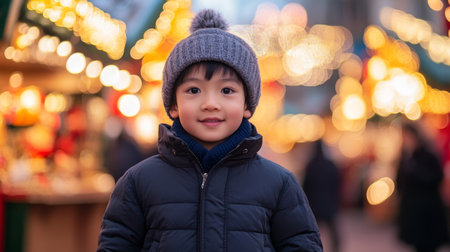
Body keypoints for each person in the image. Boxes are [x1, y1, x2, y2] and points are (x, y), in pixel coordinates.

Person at [97, 9, 322, 252]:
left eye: (226, 91)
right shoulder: (138, 182)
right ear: (173, 105)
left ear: (247, 105)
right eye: (194, 90)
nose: (210, 103)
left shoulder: (279, 184)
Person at [396, 122, 449, 252]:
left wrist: (414, 169)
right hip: (412, 211)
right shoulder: (405, 157)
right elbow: (399, 181)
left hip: (428, 212)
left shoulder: (428, 156)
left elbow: (436, 177)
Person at [302, 140, 341, 252]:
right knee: (334, 234)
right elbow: (337, 183)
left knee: (311, 233)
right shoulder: (331, 165)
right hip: (329, 204)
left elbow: (306, 186)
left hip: (314, 205)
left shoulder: (310, 165)